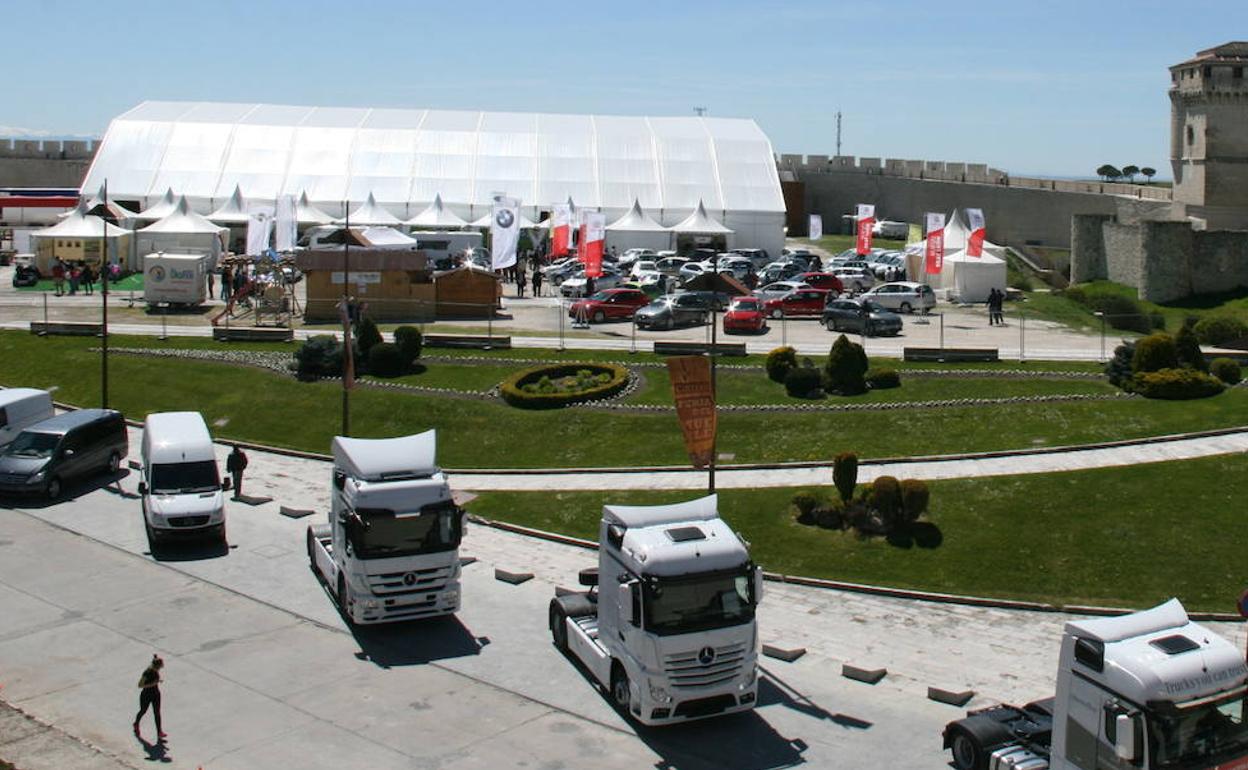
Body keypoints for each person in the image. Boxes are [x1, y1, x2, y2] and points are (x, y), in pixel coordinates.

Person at [133, 655, 165, 741]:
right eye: (161, 666)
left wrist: (157, 682)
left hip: (156, 694)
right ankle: (136, 723)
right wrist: (153, 684)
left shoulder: (156, 670)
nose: (162, 667)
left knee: (157, 713)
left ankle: (159, 732)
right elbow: (140, 685)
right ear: (156, 666)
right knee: (143, 710)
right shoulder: (147, 672)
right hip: (146, 695)